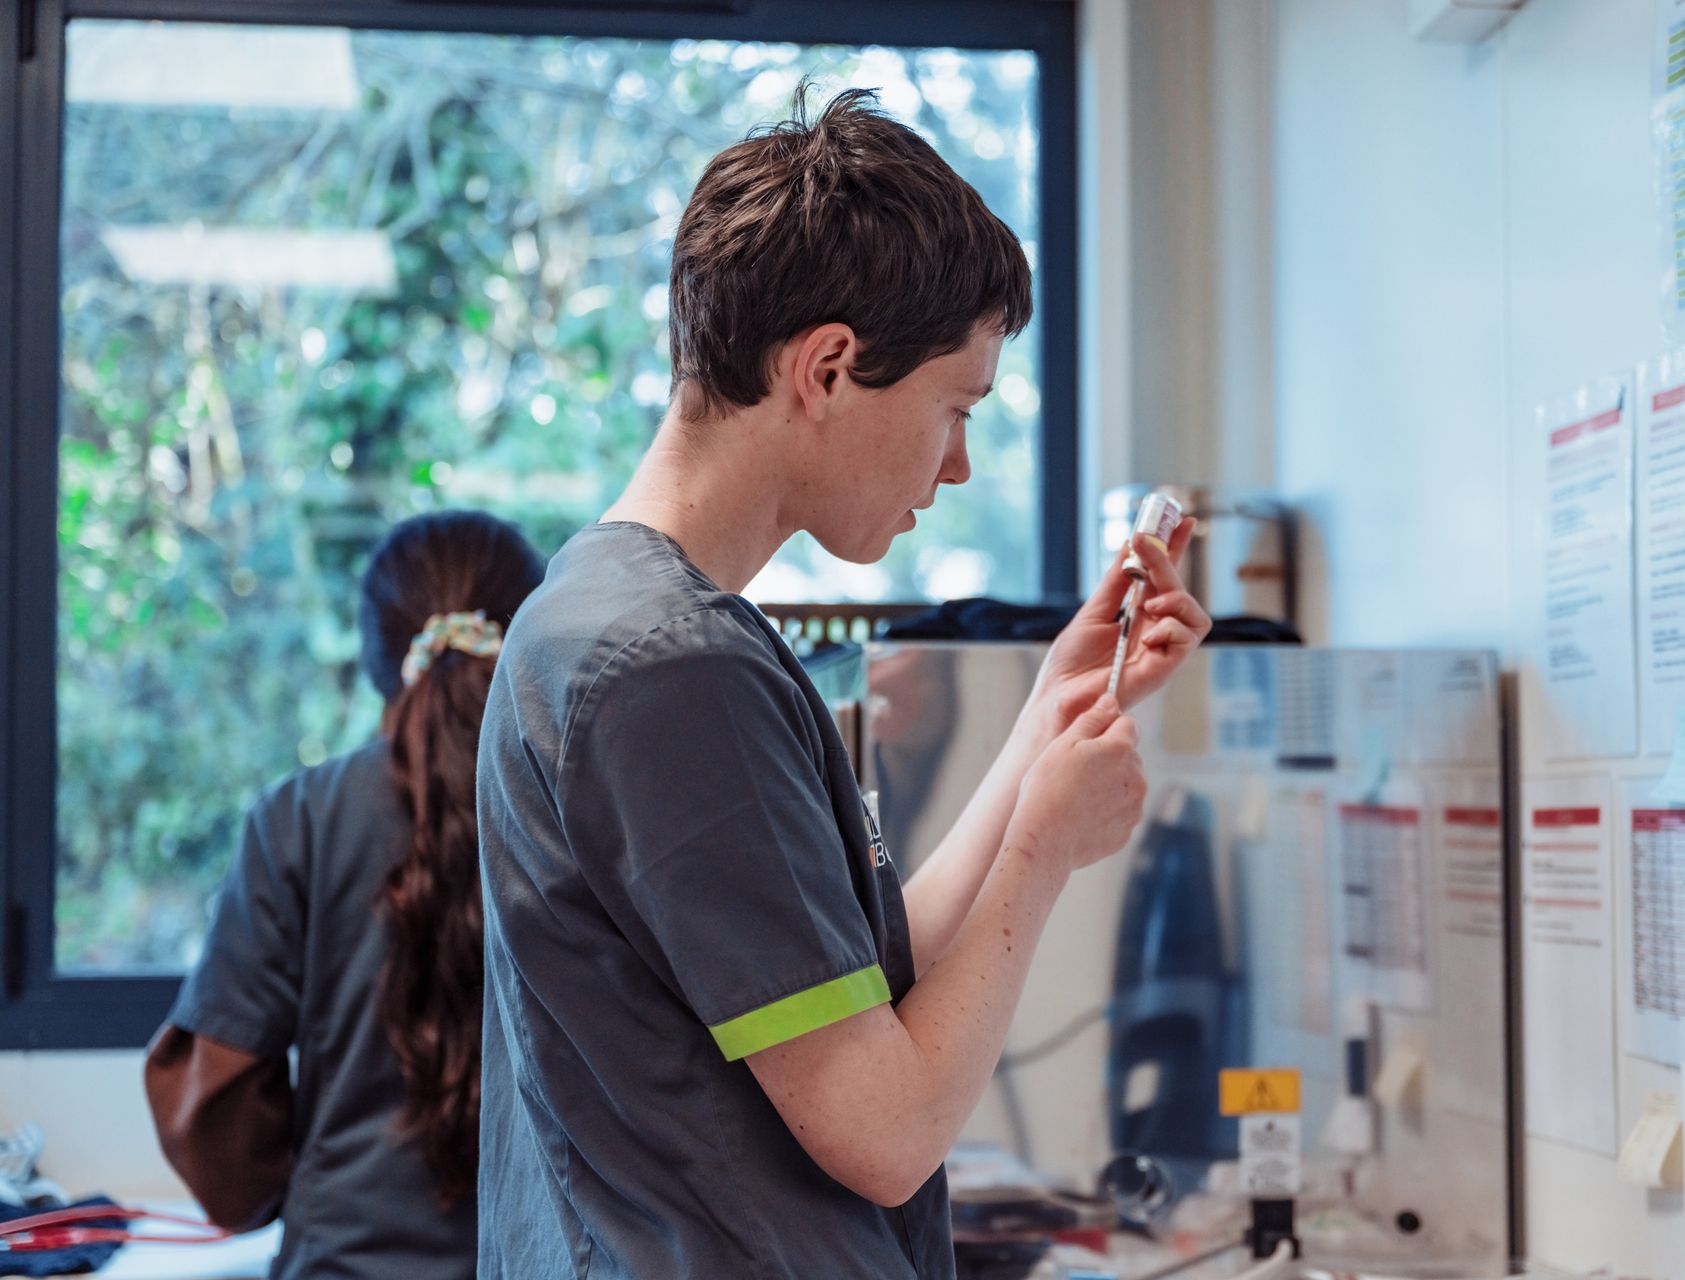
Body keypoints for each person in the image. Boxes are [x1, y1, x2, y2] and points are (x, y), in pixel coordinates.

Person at [475, 87, 1210, 1280]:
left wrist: (1044, 724)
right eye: (952, 409)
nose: (959, 464)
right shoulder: (673, 668)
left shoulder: (608, 615)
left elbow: (843, 989)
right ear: (827, 366)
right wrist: (1047, 845)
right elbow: (888, 1130)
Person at [145, 510, 546, 1278]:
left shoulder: (299, 819)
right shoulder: (591, 810)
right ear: (534, 639)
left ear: (376, 654)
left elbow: (214, 1113)